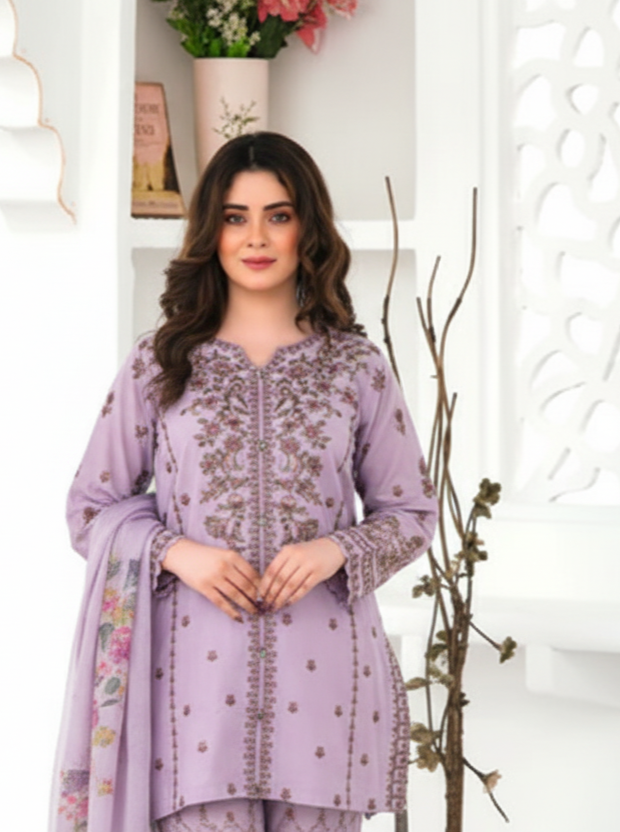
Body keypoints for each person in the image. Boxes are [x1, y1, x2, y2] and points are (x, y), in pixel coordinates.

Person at [61, 132, 438, 832]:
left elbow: (411, 512)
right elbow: (91, 508)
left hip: (327, 686)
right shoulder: (160, 363)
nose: (256, 236)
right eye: (235, 217)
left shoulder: (356, 368)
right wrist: (178, 551)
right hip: (191, 699)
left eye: (279, 214)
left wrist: (337, 550)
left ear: (309, 229)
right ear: (211, 230)